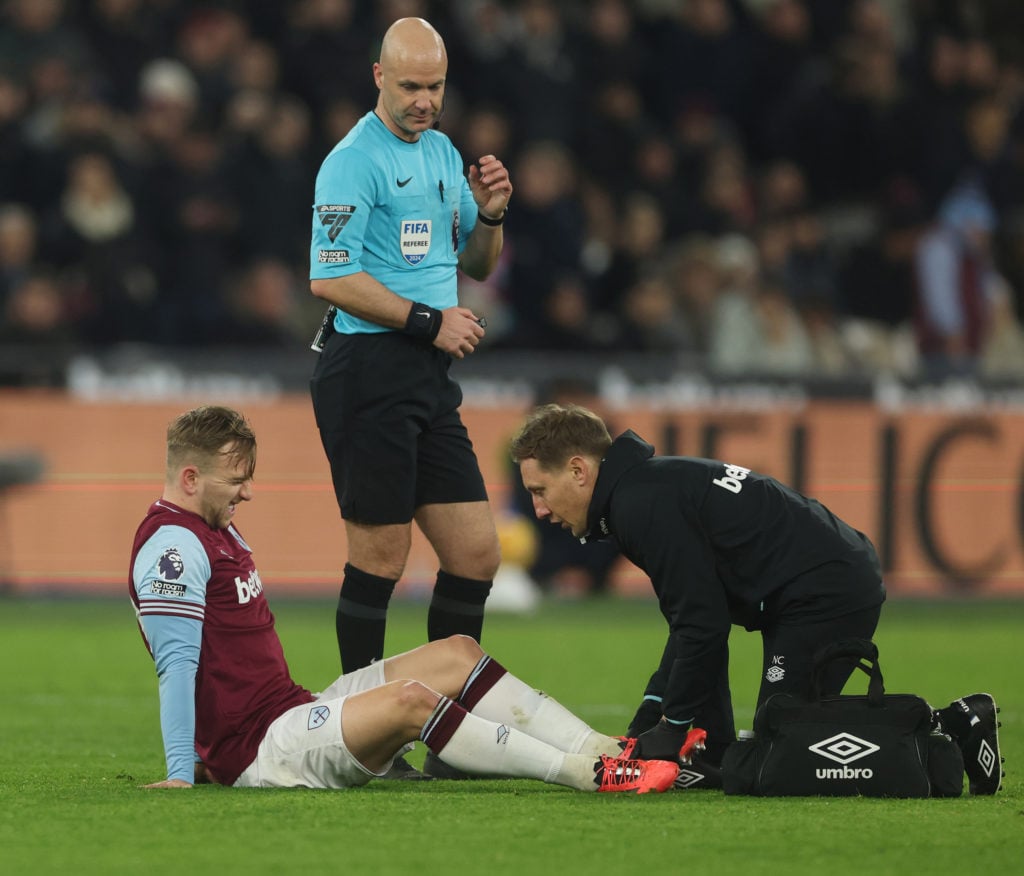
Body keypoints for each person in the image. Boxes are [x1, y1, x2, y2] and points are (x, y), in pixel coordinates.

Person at [128, 405, 681, 795]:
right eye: (235, 480)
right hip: (263, 750)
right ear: (192, 476)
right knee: (413, 701)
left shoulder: (213, 527)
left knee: (457, 652)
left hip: (289, 710)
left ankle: (609, 748)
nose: (246, 491)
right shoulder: (173, 546)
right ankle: (587, 773)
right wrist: (183, 769)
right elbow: (178, 665)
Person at [508, 403, 1003, 794]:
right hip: (821, 581)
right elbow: (698, 622)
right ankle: (717, 755)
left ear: (577, 470)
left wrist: (673, 724)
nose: (538, 509)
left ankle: (953, 724)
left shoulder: (639, 506)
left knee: (780, 753)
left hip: (825, 592)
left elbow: (702, 625)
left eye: (539, 489)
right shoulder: (642, 491)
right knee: (764, 749)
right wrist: (656, 717)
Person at [306, 19, 510, 721]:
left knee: (477, 553)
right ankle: (358, 727)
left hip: (424, 375)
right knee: (381, 558)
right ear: (379, 78)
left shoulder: (443, 154)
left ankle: (453, 729)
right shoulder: (352, 161)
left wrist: (489, 217)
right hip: (366, 368)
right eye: (412, 86)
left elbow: (475, 266)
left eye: (436, 86)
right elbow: (330, 277)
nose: (425, 101)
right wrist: (429, 321)